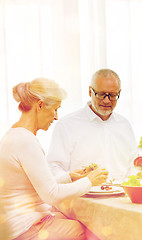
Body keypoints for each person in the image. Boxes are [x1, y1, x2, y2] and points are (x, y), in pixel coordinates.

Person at [0, 78, 108, 239]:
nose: (56, 117)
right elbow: (51, 195)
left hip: (17, 226)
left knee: (74, 219)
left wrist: (69, 177)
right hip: (26, 229)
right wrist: (89, 181)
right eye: (56, 109)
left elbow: (38, 184)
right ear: (40, 105)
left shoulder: (14, 135)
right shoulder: (25, 141)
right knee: (92, 230)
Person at [47, 69, 138, 182]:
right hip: (82, 197)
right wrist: (75, 180)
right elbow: (53, 167)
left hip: (121, 196)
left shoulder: (124, 125)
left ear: (119, 93)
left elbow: (134, 165)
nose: (106, 100)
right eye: (101, 94)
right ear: (90, 91)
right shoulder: (67, 125)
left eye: (113, 95)